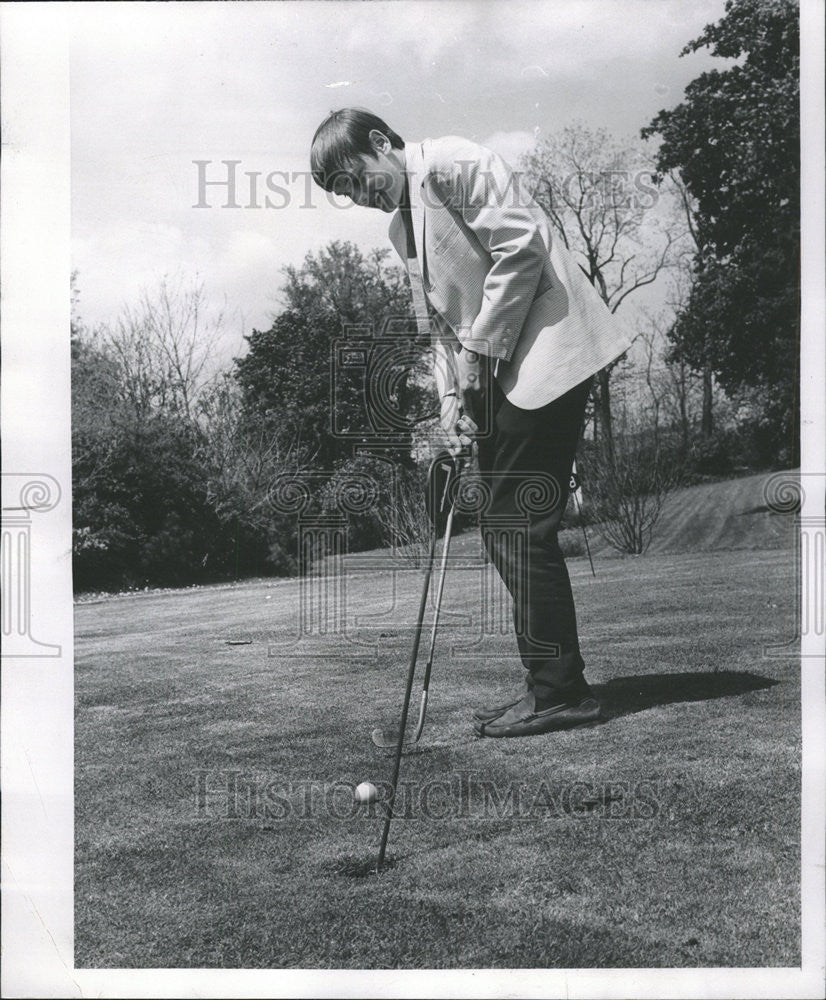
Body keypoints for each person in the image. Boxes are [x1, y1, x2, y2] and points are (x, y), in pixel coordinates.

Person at [310, 108, 632, 737]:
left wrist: (481, 352)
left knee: (514, 523)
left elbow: (521, 249)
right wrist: (452, 404)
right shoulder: (401, 232)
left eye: (354, 178)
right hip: (501, 367)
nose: (356, 196)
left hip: (550, 349)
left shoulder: (453, 161)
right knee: (504, 525)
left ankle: (561, 692)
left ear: (382, 143)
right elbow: (439, 331)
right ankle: (551, 685)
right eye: (342, 193)